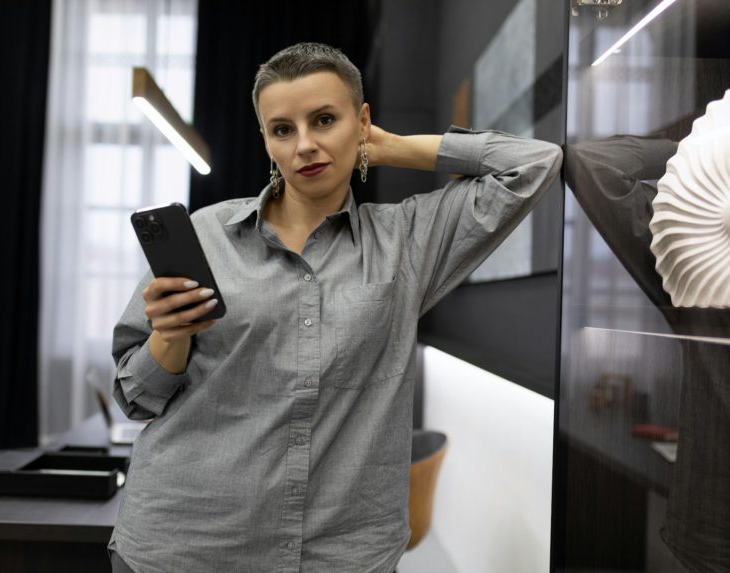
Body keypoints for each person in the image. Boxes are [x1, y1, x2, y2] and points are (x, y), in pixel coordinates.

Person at [108, 42, 563, 573]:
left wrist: (390, 147)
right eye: (282, 129)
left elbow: (535, 164)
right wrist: (169, 337)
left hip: (340, 552)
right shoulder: (207, 235)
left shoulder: (407, 241)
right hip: (185, 545)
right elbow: (137, 399)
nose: (304, 145)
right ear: (265, 140)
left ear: (362, 120)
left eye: (324, 120)